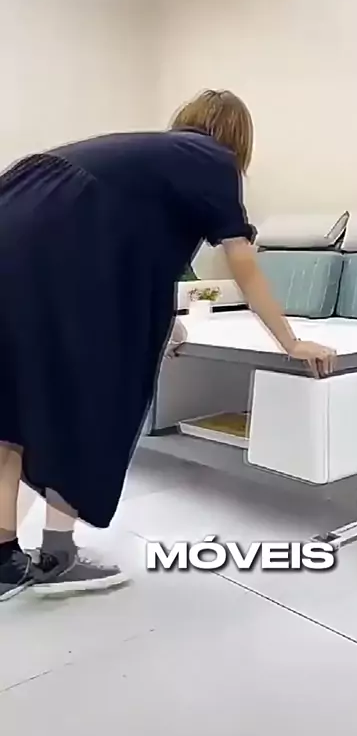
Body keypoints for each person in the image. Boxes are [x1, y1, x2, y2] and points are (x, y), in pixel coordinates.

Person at [0, 89, 336, 602]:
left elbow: (149, 260)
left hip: (16, 204)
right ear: (237, 138)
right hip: (60, 246)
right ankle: (57, 553)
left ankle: (3, 560)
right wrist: (291, 341)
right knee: (91, 401)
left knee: (9, 408)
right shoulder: (214, 160)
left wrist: (164, 325)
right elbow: (242, 263)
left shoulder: (145, 158)